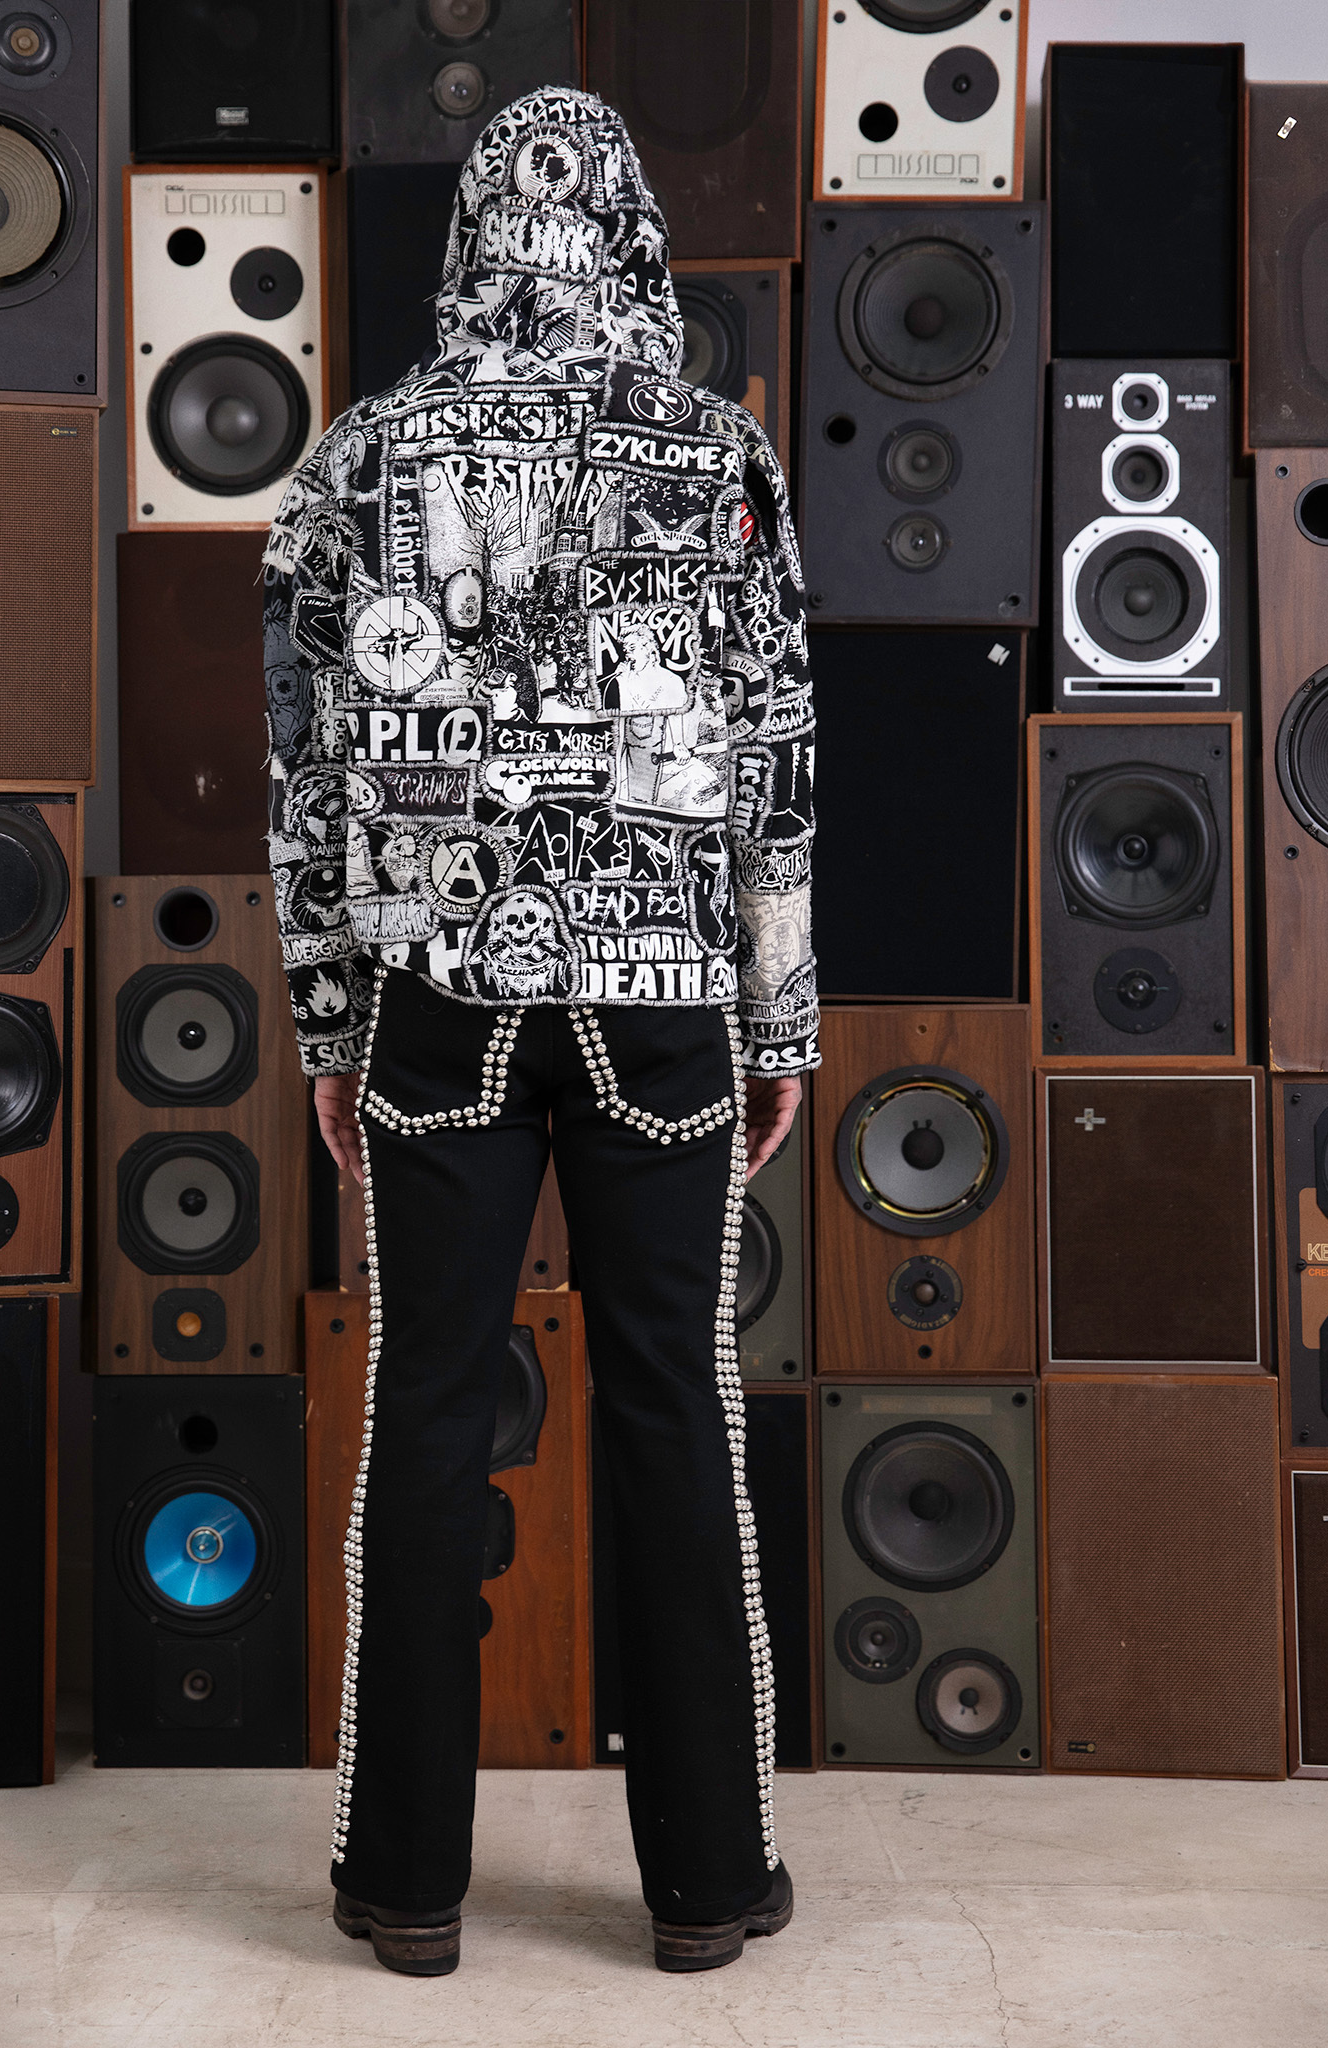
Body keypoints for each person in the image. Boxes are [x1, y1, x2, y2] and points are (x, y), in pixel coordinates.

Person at [263, 87, 817, 1978]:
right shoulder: (719, 449)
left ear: (471, 240)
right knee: (677, 1407)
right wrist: (779, 1013)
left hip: (439, 995)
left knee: (427, 1406)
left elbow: (307, 764)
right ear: (634, 235)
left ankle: (405, 1883)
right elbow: (774, 750)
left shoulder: (365, 453)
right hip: (663, 1000)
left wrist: (327, 1016)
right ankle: (707, 1884)